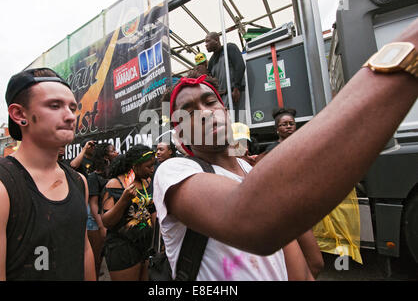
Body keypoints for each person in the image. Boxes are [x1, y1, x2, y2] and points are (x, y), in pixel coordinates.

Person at [152, 19, 418, 280]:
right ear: (180, 132)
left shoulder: (248, 168)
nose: (204, 113)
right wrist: (407, 55)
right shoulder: (173, 172)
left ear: (225, 109)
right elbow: (255, 219)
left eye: (210, 101)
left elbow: (294, 256)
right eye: (188, 113)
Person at [0, 67, 95, 280]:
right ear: (19, 114)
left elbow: (84, 252)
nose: (70, 116)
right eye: (54, 106)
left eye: (73, 107)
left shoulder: (78, 181)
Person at [257, 108, 324, 278]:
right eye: (284, 124)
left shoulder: (304, 144)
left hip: (301, 208)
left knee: (315, 264)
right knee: (307, 264)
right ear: (276, 129)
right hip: (284, 211)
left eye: (291, 123)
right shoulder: (272, 150)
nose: (288, 126)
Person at [101, 145, 156, 281]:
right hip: (122, 249)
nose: (152, 170)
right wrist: (124, 200)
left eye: (153, 165)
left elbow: (152, 211)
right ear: (135, 166)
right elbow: (106, 221)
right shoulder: (115, 184)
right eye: (148, 166)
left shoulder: (146, 182)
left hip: (144, 247)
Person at [86, 142, 117, 280]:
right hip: (95, 221)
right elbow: (93, 204)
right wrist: (101, 226)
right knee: (96, 259)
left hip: (109, 218)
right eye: (113, 151)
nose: (116, 152)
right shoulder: (93, 177)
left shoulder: (113, 174)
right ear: (105, 156)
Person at [205, 32, 246, 113]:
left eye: (208, 41)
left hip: (234, 92)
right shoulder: (211, 61)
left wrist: (237, 88)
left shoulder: (229, 48)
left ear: (216, 40)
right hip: (221, 97)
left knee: (240, 119)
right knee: (226, 121)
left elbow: (240, 66)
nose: (206, 44)